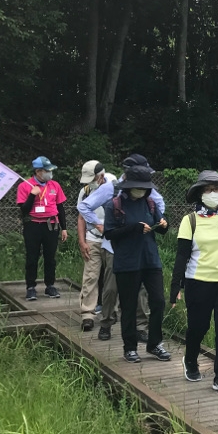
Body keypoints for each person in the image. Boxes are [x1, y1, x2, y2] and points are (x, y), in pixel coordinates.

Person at [79, 154, 165, 342]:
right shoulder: (112, 188)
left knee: (141, 291)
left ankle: (140, 327)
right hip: (114, 247)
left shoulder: (146, 190)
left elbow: (160, 204)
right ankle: (106, 324)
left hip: (140, 249)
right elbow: (84, 206)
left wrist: (156, 220)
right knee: (111, 288)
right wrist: (99, 225)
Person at [170, 171, 218, 394]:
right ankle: (190, 360)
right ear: (200, 193)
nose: (213, 193)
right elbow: (182, 255)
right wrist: (176, 286)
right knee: (198, 328)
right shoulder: (189, 221)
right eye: (208, 189)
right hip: (198, 282)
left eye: (216, 189)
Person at [101, 163, 172, 363]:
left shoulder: (150, 203)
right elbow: (109, 233)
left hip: (151, 260)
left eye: (144, 187)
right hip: (127, 262)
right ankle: (130, 347)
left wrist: (163, 225)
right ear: (128, 186)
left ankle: (155, 344)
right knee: (129, 306)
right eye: (137, 186)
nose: (141, 190)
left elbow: (161, 226)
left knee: (158, 301)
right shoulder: (114, 205)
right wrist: (134, 228)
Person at [15, 156, 69, 301]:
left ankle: (50, 285)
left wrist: (64, 228)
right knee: (32, 257)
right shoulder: (25, 186)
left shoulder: (54, 185)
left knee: (50, 257)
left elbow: (60, 207)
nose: (50, 173)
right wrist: (32, 196)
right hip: (33, 224)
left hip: (51, 225)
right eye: (47, 170)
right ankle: (31, 287)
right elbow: (24, 210)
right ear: (38, 171)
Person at [77, 161, 115, 331]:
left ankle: (111, 311)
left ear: (101, 175)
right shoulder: (85, 192)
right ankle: (87, 315)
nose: (90, 182)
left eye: (92, 178)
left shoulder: (115, 186)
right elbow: (80, 217)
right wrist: (82, 241)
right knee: (91, 276)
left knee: (111, 278)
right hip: (93, 238)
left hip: (112, 240)